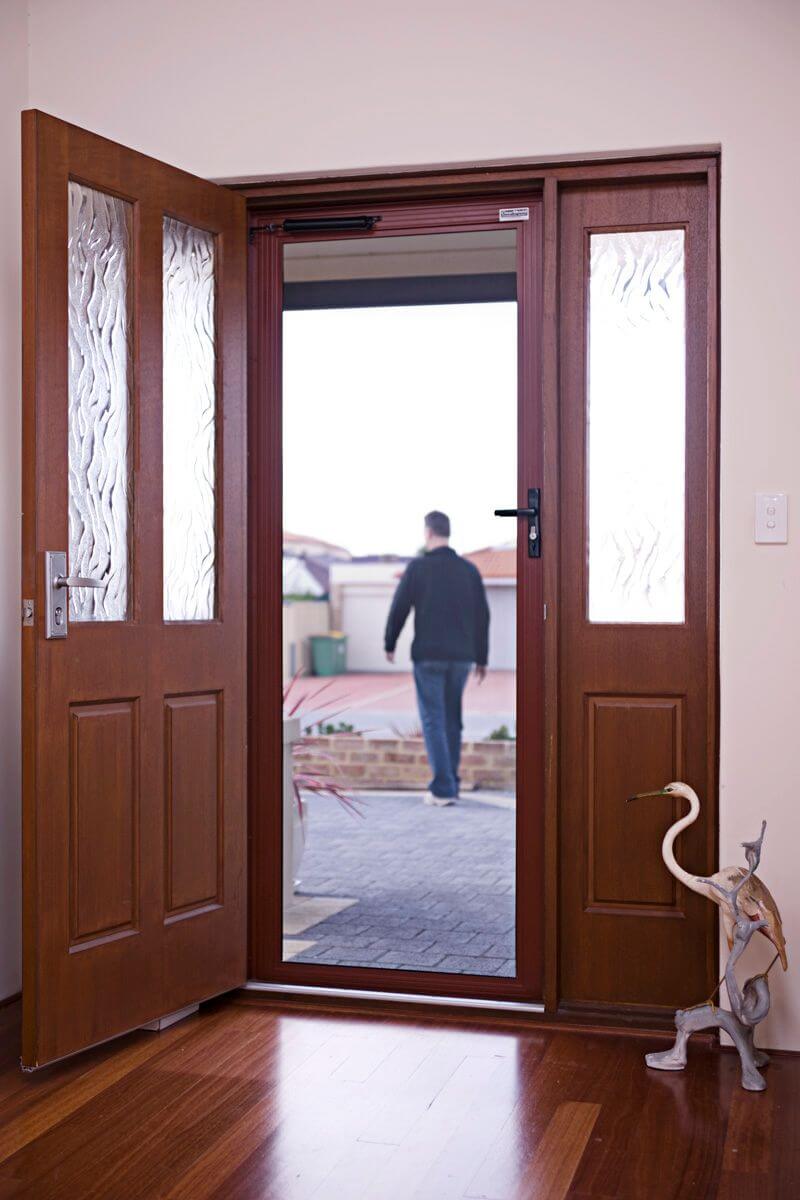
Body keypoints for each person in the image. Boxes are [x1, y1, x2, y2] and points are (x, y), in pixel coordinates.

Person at [384, 511, 490, 806]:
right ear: (448, 532)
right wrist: (481, 657)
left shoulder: (417, 568)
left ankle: (443, 789)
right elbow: (482, 616)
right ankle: (451, 784)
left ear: (428, 533)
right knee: (452, 719)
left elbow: (399, 607)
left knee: (433, 720)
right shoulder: (469, 571)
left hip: (428, 656)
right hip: (461, 658)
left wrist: (389, 642)